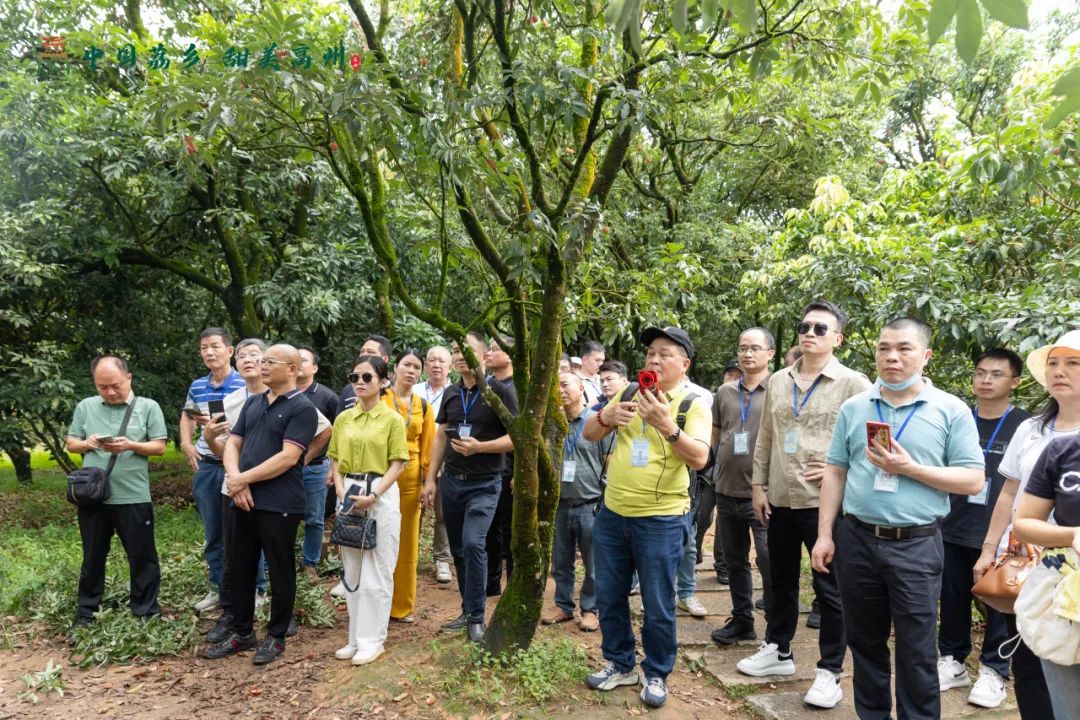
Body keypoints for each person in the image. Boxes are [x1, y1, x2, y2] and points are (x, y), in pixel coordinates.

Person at [812, 317, 985, 720]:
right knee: (865, 641)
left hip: (916, 544)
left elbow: (973, 480)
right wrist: (825, 535)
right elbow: (836, 471)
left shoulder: (950, 410)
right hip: (856, 539)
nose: (891, 357)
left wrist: (909, 468)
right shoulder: (855, 407)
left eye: (904, 349)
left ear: (925, 356)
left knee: (917, 648)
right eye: (883, 347)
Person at [740, 301, 870, 710]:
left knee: (830, 590)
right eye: (804, 326)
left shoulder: (854, 384)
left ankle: (830, 670)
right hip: (780, 496)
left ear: (838, 338)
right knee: (778, 581)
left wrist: (839, 472)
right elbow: (766, 436)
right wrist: (758, 486)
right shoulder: (779, 380)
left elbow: (870, 443)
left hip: (825, 505)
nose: (809, 333)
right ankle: (778, 650)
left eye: (820, 327)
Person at [583, 326, 710, 709]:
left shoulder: (694, 403)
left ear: (684, 364)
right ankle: (620, 663)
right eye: (651, 352)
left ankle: (656, 672)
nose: (654, 359)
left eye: (665, 353)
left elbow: (700, 458)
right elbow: (587, 433)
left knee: (657, 603)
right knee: (609, 594)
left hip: (661, 520)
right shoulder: (627, 391)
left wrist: (666, 425)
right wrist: (607, 416)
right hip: (613, 513)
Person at [974, 330, 1080, 719]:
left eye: (1073, 363)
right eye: (1053, 363)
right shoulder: (1031, 429)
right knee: (1028, 654)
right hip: (1024, 555)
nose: (1059, 372)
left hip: (1071, 565)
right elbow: (1007, 494)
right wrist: (991, 548)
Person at [203, 340, 334, 642]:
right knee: (240, 566)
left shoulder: (302, 409)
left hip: (279, 501)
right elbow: (234, 443)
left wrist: (241, 479)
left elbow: (289, 457)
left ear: (291, 369)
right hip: (244, 498)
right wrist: (236, 479)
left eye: (269, 362)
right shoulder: (254, 402)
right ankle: (242, 632)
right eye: (262, 361)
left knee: (280, 568)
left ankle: (276, 636)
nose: (262, 366)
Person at [938, 349, 1029, 708]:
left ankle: (994, 670)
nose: (986, 380)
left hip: (1000, 531)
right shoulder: (958, 417)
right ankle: (952, 660)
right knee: (953, 596)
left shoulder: (1025, 424)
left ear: (1015, 382)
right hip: (952, 523)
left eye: (996, 374)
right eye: (980, 373)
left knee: (999, 602)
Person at [420, 332, 518, 643]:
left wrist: (481, 447)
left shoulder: (500, 392)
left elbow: (517, 438)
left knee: (475, 544)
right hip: (452, 482)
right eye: (455, 350)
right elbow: (440, 437)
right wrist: (430, 480)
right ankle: (467, 610)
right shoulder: (451, 393)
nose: (460, 355)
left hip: (486, 483)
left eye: (467, 350)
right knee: (460, 549)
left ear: (484, 357)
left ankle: (477, 617)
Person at [67, 355, 168, 630]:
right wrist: (86, 443)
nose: (110, 392)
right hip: (93, 497)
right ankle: (86, 613)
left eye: (115, 385)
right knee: (92, 555)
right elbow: (71, 443)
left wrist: (131, 445)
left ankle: (146, 611)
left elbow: (159, 447)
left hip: (133, 495)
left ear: (129, 378)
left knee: (142, 555)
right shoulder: (85, 407)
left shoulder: (148, 407)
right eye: (102, 387)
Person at [329, 355, 409, 665]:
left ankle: (373, 640)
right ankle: (355, 638)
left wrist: (374, 494)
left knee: (377, 568)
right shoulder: (344, 419)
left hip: (380, 493)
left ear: (383, 382)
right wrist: (339, 487)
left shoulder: (392, 419)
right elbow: (334, 458)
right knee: (352, 569)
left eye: (367, 378)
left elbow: (397, 464)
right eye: (354, 377)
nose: (359, 383)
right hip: (348, 491)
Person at [710, 328, 775, 645]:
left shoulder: (780, 389)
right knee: (735, 561)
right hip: (726, 490)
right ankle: (742, 620)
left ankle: (777, 631)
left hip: (764, 495)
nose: (747, 354)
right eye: (743, 348)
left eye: (755, 348)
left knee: (769, 561)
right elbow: (717, 433)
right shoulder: (724, 393)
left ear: (770, 354)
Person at [180, 328, 247, 613]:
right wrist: (186, 443)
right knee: (213, 533)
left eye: (215, 346)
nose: (209, 352)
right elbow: (187, 414)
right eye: (204, 348)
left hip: (238, 466)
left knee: (244, 532)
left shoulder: (246, 384)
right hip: (208, 466)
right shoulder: (197, 386)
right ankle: (219, 589)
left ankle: (253, 590)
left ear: (230, 351)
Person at [1015, 433, 1080, 718]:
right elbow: (1024, 523)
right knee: (1069, 709)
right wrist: (1073, 534)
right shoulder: (1063, 450)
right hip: (1066, 606)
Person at [543, 372, 606, 631]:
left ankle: (590, 609)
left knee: (593, 562)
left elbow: (608, 460)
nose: (560, 389)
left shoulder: (597, 421)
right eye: (555, 385)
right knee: (560, 560)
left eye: (565, 384)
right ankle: (563, 605)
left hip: (590, 504)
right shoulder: (553, 423)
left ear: (581, 387)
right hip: (559, 503)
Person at [382, 350, 435, 623]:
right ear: (395, 367)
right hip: (380, 476)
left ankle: (401, 606)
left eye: (417, 367)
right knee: (379, 540)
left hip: (411, 479)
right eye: (407, 365)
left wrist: (429, 482)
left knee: (406, 543)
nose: (411, 371)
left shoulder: (424, 406)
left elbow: (428, 448)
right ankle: (377, 602)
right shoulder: (378, 399)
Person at [296, 346, 340, 583]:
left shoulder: (327, 396)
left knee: (314, 517)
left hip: (316, 466)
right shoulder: (282, 391)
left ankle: (310, 563)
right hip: (283, 467)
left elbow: (338, 431)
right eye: (296, 359)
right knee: (282, 515)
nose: (299, 364)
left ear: (314, 367)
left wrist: (333, 464)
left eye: (304, 360)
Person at [416, 345, 454, 584]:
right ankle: (407, 557)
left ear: (449, 366)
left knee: (443, 513)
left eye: (441, 361)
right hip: (414, 459)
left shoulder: (455, 392)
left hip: (445, 460)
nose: (436, 365)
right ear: (425, 365)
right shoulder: (415, 390)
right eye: (431, 360)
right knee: (412, 512)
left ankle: (442, 559)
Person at [484, 335, 518, 595]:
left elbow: (522, 436)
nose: (489, 353)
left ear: (510, 354)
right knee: (490, 528)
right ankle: (491, 583)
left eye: (496, 349)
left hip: (511, 470)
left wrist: (519, 473)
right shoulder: (485, 386)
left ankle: (515, 585)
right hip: (488, 467)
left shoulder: (519, 387)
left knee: (510, 529)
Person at [338, 334, 393, 414]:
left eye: (370, 352)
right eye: (362, 351)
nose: (364, 355)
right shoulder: (349, 390)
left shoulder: (396, 390)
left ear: (384, 359)